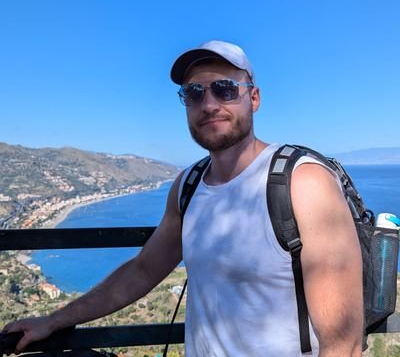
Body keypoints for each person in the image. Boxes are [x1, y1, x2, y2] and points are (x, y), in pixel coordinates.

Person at [3, 40, 363, 356]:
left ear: (253, 98)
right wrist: (54, 321)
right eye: (194, 93)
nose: (209, 104)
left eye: (225, 89)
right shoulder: (189, 185)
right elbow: (143, 270)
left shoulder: (302, 182)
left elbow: (342, 345)